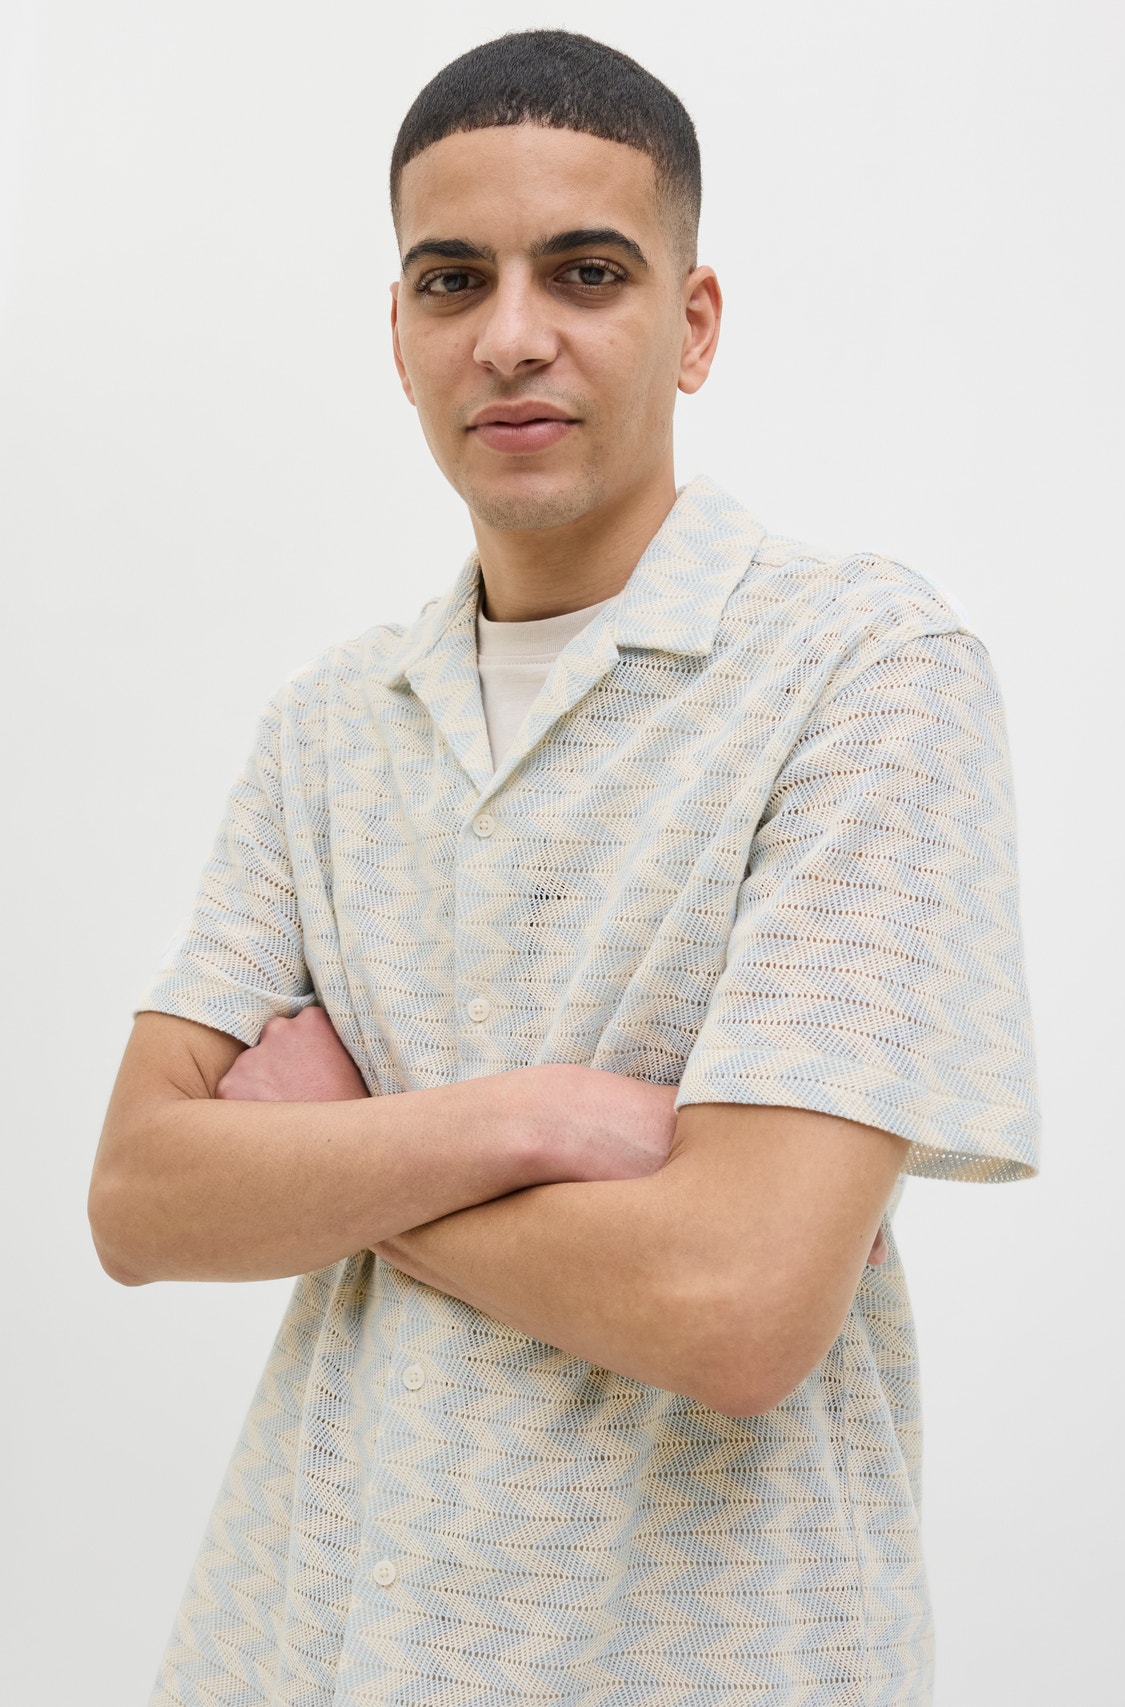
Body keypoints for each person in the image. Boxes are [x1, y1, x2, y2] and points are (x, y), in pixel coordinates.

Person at [89, 28, 1039, 1707]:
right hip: (310, 1642)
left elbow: (738, 1305)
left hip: (704, 1658)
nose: (511, 335)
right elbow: (141, 1200)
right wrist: (529, 1120)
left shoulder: (864, 671)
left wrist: (339, 1159)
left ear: (694, 324)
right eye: (452, 279)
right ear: (399, 333)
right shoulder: (327, 727)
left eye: (586, 273)